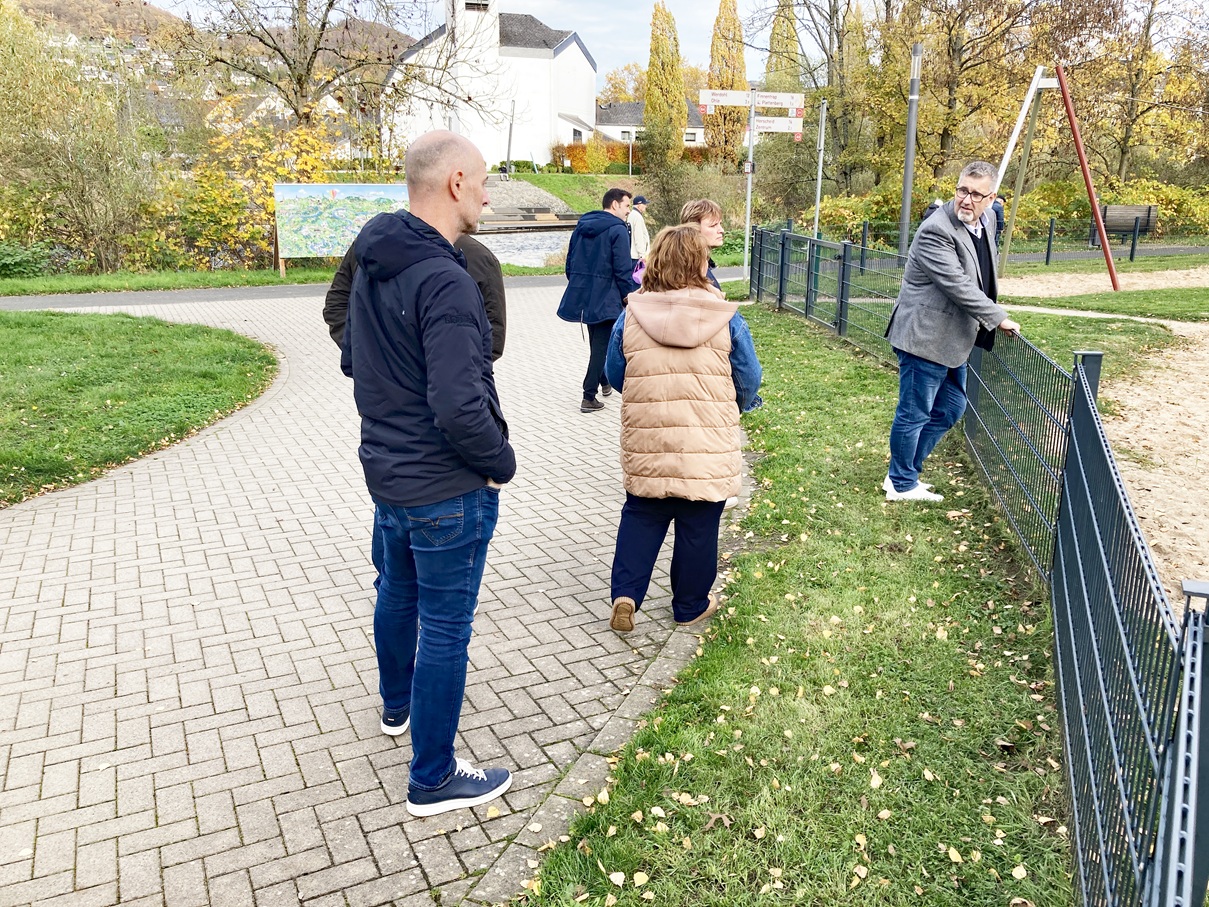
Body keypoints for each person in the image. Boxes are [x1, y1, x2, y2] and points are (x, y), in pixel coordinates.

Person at [342, 130, 516, 816]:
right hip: (446, 485)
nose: (485, 194)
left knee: (397, 589)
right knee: (446, 624)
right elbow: (456, 401)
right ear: (453, 182)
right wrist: (500, 463)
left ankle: (396, 706)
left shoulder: (371, 257)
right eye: (481, 182)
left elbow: (355, 356)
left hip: (387, 473)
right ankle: (434, 777)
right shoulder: (445, 277)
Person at [604, 224, 762, 633]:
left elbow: (615, 373)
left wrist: (646, 393)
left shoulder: (631, 313)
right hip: (705, 439)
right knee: (699, 524)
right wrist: (733, 406)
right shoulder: (725, 316)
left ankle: (625, 594)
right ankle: (690, 605)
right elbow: (749, 376)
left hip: (649, 436)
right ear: (701, 263)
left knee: (641, 513)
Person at [883, 160, 1020, 503]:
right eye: (962, 190)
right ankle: (900, 483)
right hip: (925, 336)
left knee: (951, 408)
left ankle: (904, 473)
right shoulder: (936, 230)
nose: (966, 200)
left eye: (976, 194)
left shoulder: (984, 220)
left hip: (954, 337)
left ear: (991, 199)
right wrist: (998, 317)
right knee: (914, 412)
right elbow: (957, 284)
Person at [325, 233, 507, 361]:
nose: (485, 199)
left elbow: (336, 307)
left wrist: (368, 354)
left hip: (381, 398)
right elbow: (493, 341)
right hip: (455, 398)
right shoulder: (480, 257)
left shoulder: (369, 245)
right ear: (455, 187)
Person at [558, 188, 641, 413]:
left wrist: (577, 282)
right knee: (601, 345)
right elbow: (622, 268)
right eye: (626, 206)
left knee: (598, 342)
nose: (627, 211)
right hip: (607, 295)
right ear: (614, 205)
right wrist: (628, 295)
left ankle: (604, 382)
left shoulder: (583, 225)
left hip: (585, 293)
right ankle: (588, 395)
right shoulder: (618, 229)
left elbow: (570, 260)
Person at [679, 198, 726, 289]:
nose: (721, 230)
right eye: (713, 225)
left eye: (720, 224)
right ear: (693, 229)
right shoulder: (689, 269)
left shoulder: (699, 262)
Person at [629, 194, 651, 269]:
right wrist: (642, 255)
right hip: (637, 256)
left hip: (632, 254)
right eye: (644, 204)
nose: (645, 206)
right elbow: (639, 237)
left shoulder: (631, 215)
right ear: (639, 205)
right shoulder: (637, 217)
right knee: (637, 278)